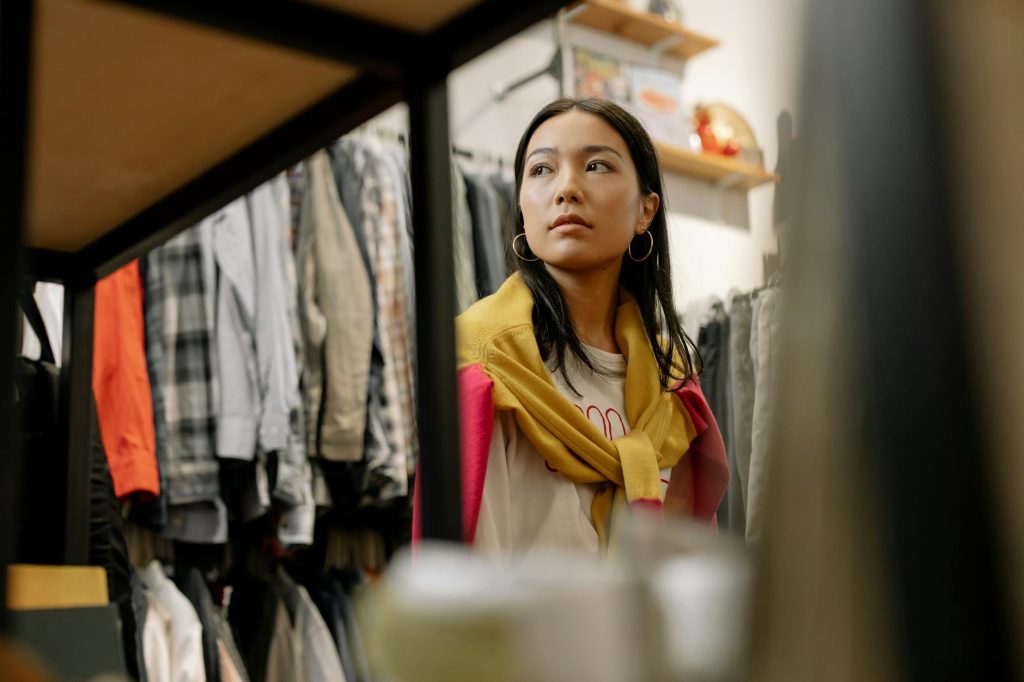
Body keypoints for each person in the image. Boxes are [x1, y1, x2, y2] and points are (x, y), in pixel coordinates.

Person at [415, 98, 729, 555]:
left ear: (646, 209)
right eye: (541, 170)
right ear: (522, 207)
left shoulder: (674, 385)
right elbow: (465, 581)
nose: (566, 189)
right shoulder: (484, 362)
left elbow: (688, 569)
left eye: (597, 165)